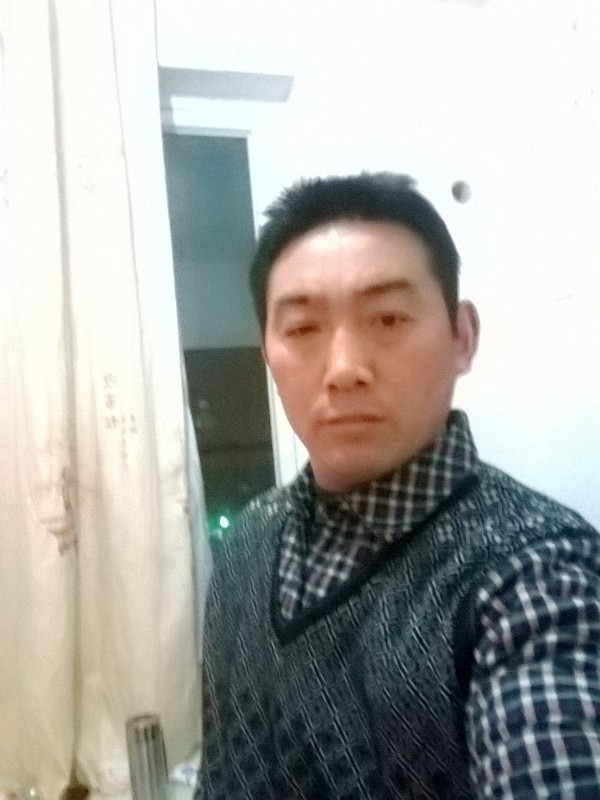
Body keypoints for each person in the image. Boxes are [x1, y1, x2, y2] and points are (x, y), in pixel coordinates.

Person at [195, 173, 600, 800]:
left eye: (387, 318)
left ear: (462, 337)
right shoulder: (247, 542)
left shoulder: (535, 576)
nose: (344, 370)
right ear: (267, 354)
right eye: (302, 328)